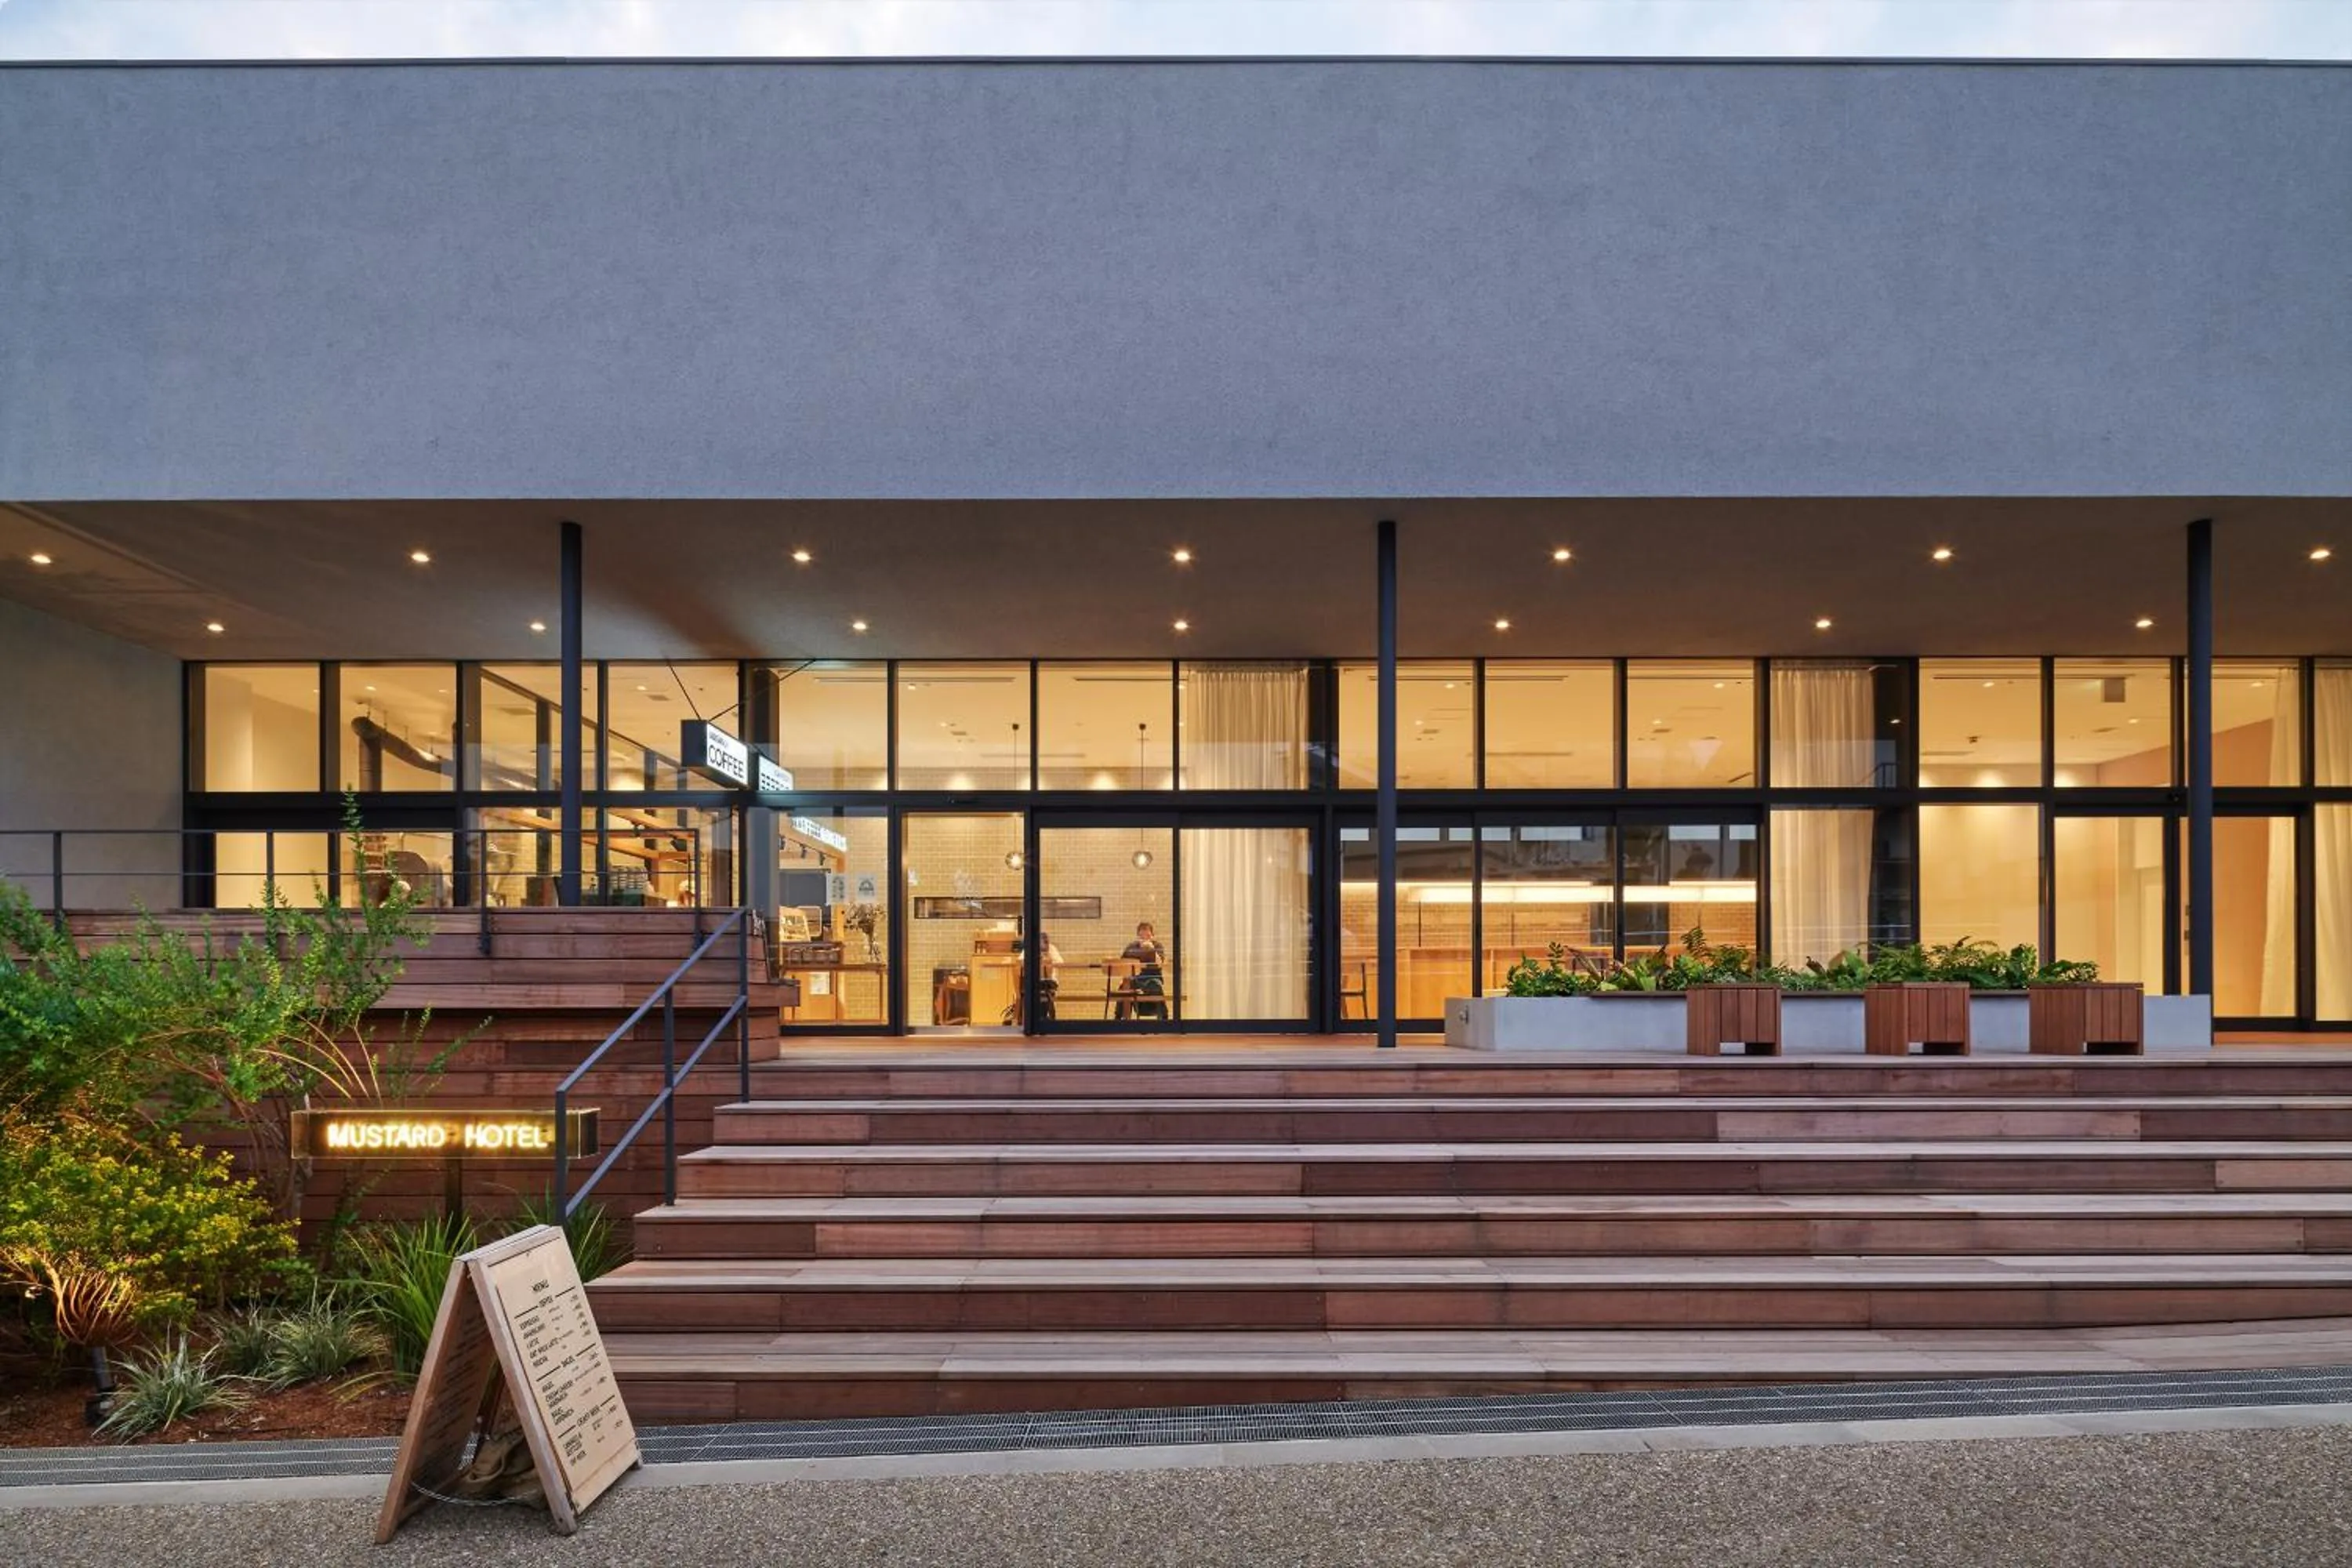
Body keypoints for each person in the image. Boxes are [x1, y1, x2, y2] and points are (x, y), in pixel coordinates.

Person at [1117, 921, 1167, 1021]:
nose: (1145, 939)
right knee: (1124, 988)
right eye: (1142, 937)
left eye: (1148, 936)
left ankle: (1164, 1019)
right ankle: (1120, 1019)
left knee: (1155, 987)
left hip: (1153, 978)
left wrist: (1152, 950)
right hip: (1135, 979)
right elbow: (1122, 963)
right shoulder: (1132, 947)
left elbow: (1160, 963)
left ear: (1152, 936)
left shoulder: (1157, 946)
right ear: (1138, 937)